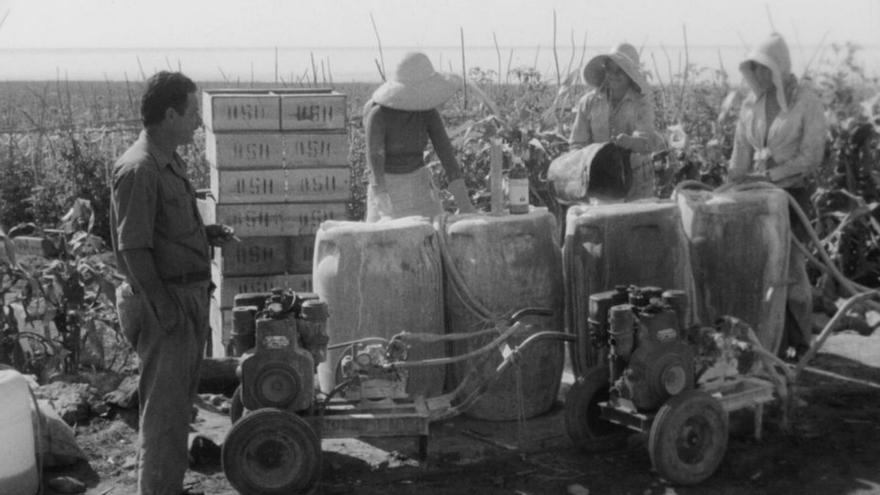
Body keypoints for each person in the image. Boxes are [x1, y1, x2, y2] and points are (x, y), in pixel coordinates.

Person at [110, 71, 235, 495]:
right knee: (164, 411)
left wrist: (207, 235)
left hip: (187, 296)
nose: (198, 122)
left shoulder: (169, 162)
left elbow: (166, 231)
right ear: (169, 114)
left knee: (180, 405)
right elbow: (133, 250)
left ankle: (169, 485)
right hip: (168, 302)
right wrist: (162, 307)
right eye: (192, 112)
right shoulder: (139, 169)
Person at [728, 33, 827, 358]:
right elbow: (740, 152)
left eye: (764, 68)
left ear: (779, 68)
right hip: (754, 197)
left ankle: (798, 342)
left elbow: (811, 155)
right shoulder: (750, 104)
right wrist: (733, 180)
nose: (758, 76)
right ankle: (763, 338)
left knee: (789, 270)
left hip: (789, 196)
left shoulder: (806, 100)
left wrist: (770, 175)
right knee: (755, 267)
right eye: (753, 69)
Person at [363, 52, 476, 221]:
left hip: (419, 186)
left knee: (432, 239)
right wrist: (381, 198)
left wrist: (464, 202)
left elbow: (446, 153)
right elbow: (375, 158)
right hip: (387, 188)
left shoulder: (427, 113)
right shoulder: (378, 115)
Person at [569, 42, 663, 200]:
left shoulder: (641, 103)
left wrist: (630, 142)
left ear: (630, 74)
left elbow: (646, 141)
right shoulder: (588, 102)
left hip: (636, 179)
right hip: (598, 179)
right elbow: (577, 143)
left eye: (621, 70)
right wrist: (585, 160)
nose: (614, 75)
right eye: (610, 69)